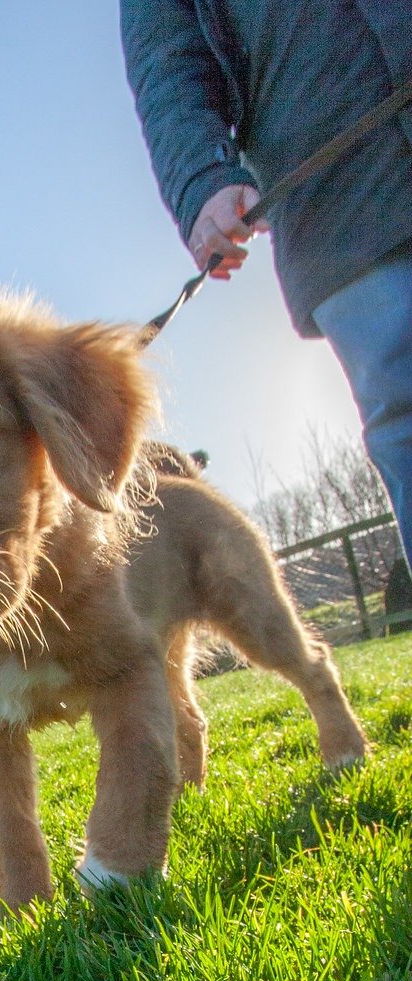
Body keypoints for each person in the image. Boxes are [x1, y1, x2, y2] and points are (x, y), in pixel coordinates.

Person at [120, 1, 412, 564]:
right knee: (404, 394)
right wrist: (201, 177)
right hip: (339, 190)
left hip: (334, 191)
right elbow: (168, 63)